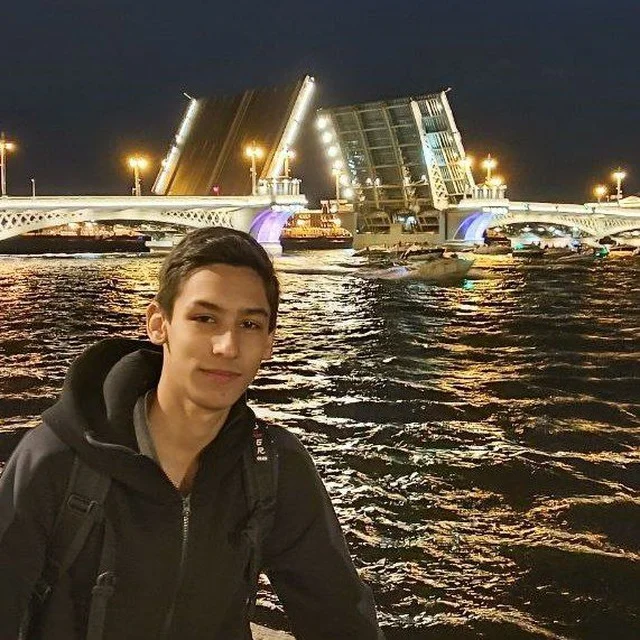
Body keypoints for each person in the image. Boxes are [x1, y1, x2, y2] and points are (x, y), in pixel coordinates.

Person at [0, 227, 384, 639]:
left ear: (269, 342)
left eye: (249, 324)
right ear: (158, 324)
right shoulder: (59, 459)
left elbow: (338, 615)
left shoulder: (272, 466)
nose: (227, 346)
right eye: (205, 319)